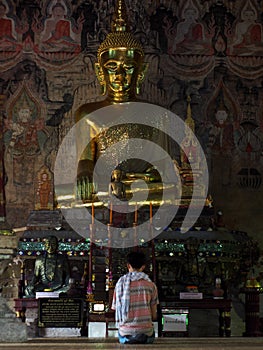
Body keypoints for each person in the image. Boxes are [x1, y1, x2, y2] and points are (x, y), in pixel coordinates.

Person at [111, 251, 158, 344]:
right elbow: (154, 314)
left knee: (122, 335)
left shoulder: (120, 283)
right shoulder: (151, 285)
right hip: (146, 334)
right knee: (150, 333)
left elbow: (115, 308)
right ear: (143, 266)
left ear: (128, 266)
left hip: (125, 334)